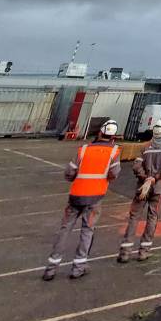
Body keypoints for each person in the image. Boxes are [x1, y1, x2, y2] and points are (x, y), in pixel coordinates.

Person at [43, 119, 122, 281]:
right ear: (114, 137)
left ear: (100, 132)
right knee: (87, 231)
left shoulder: (84, 149)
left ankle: (51, 268)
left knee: (64, 230)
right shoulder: (114, 152)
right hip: (95, 197)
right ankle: (78, 267)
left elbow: (70, 172)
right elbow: (113, 174)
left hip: (75, 196)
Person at [118, 119, 161, 263]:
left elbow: (136, 165)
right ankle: (144, 251)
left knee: (134, 217)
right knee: (152, 217)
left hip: (142, 186)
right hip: (158, 188)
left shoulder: (145, 146)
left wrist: (145, 178)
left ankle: (125, 251)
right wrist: (154, 179)